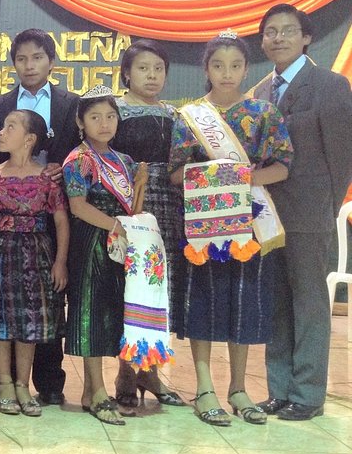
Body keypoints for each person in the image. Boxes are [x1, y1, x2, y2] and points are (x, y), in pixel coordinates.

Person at [170, 31, 292, 426]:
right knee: (202, 301)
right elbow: (174, 173)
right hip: (202, 227)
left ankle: (238, 388)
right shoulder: (188, 117)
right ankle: (205, 386)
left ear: (246, 68)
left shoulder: (264, 114)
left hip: (249, 225)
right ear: (206, 68)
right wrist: (212, 176)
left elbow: (282, 166)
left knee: (244, 302)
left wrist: (245, 180)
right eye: (218, 65)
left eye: (235, 65)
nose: (227, 73)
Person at [252, 5, 352, 421]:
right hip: (266, 215)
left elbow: (343, 155)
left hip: (310, 213)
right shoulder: (258, 93)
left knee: (309, 303)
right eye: (270, 32)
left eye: (287, 31)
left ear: (306, 38)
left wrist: (326, 208)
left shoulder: (330, 85)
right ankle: (279, 389)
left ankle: (308, 394)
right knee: (275, 302)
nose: (278, 38)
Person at [0, 28, 78, 405]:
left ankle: (48, 380)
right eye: (21, 58)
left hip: (54, 213)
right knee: (5, 303)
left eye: (37, 57)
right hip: (6, 223)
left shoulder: (72, 104)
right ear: (13, 63)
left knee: (47, 299)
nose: (29, 64)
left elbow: (78, 152)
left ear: (51, 61)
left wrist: (59, 169)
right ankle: (5, 381)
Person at [0, 109, 68, 417]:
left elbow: (62, 222)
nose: (0, 132)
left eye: (9, 127)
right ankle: (6, 383)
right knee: (2, 320)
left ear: (29, 139)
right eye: (2, 125)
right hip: (0, 252)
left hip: (36, 255)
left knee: (29, 321)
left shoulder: (46, 179)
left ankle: (24, 384)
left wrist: (60, 263)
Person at [111, 40, 185, 408]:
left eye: (158, 69)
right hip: (131, 205)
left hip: (170, 209)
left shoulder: (175, 115)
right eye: (143, 68)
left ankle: (152, 372)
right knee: (131, 288)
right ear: (127, 73)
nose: (152, 75)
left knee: (161, 289)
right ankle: (126, 372)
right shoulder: (115, 112)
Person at [62, 86, 138, 426]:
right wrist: (117, 226)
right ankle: (96, 390)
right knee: (90, 313)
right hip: (92, 240)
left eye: (110, 116)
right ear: (81, 121)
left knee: (115, 312)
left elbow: (134, 206)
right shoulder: (78, 159)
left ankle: (102, 387)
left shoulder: (125, 161)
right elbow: (78, 207)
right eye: (95, 117)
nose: (104, 123)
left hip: (121, 246)